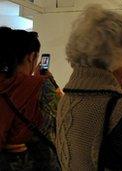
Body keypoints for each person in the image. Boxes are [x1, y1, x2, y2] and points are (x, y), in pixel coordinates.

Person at [56, 5, 122, 171]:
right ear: (117, 57)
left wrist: (116, 91)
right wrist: (120, 101)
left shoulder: (66, 98)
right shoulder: (117, 108)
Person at [0, 27, 60, 170]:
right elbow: (61, 121)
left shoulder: (5, 83)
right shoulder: (39, 86)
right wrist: (50, 82)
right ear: (31, 57)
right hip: (34, 162)